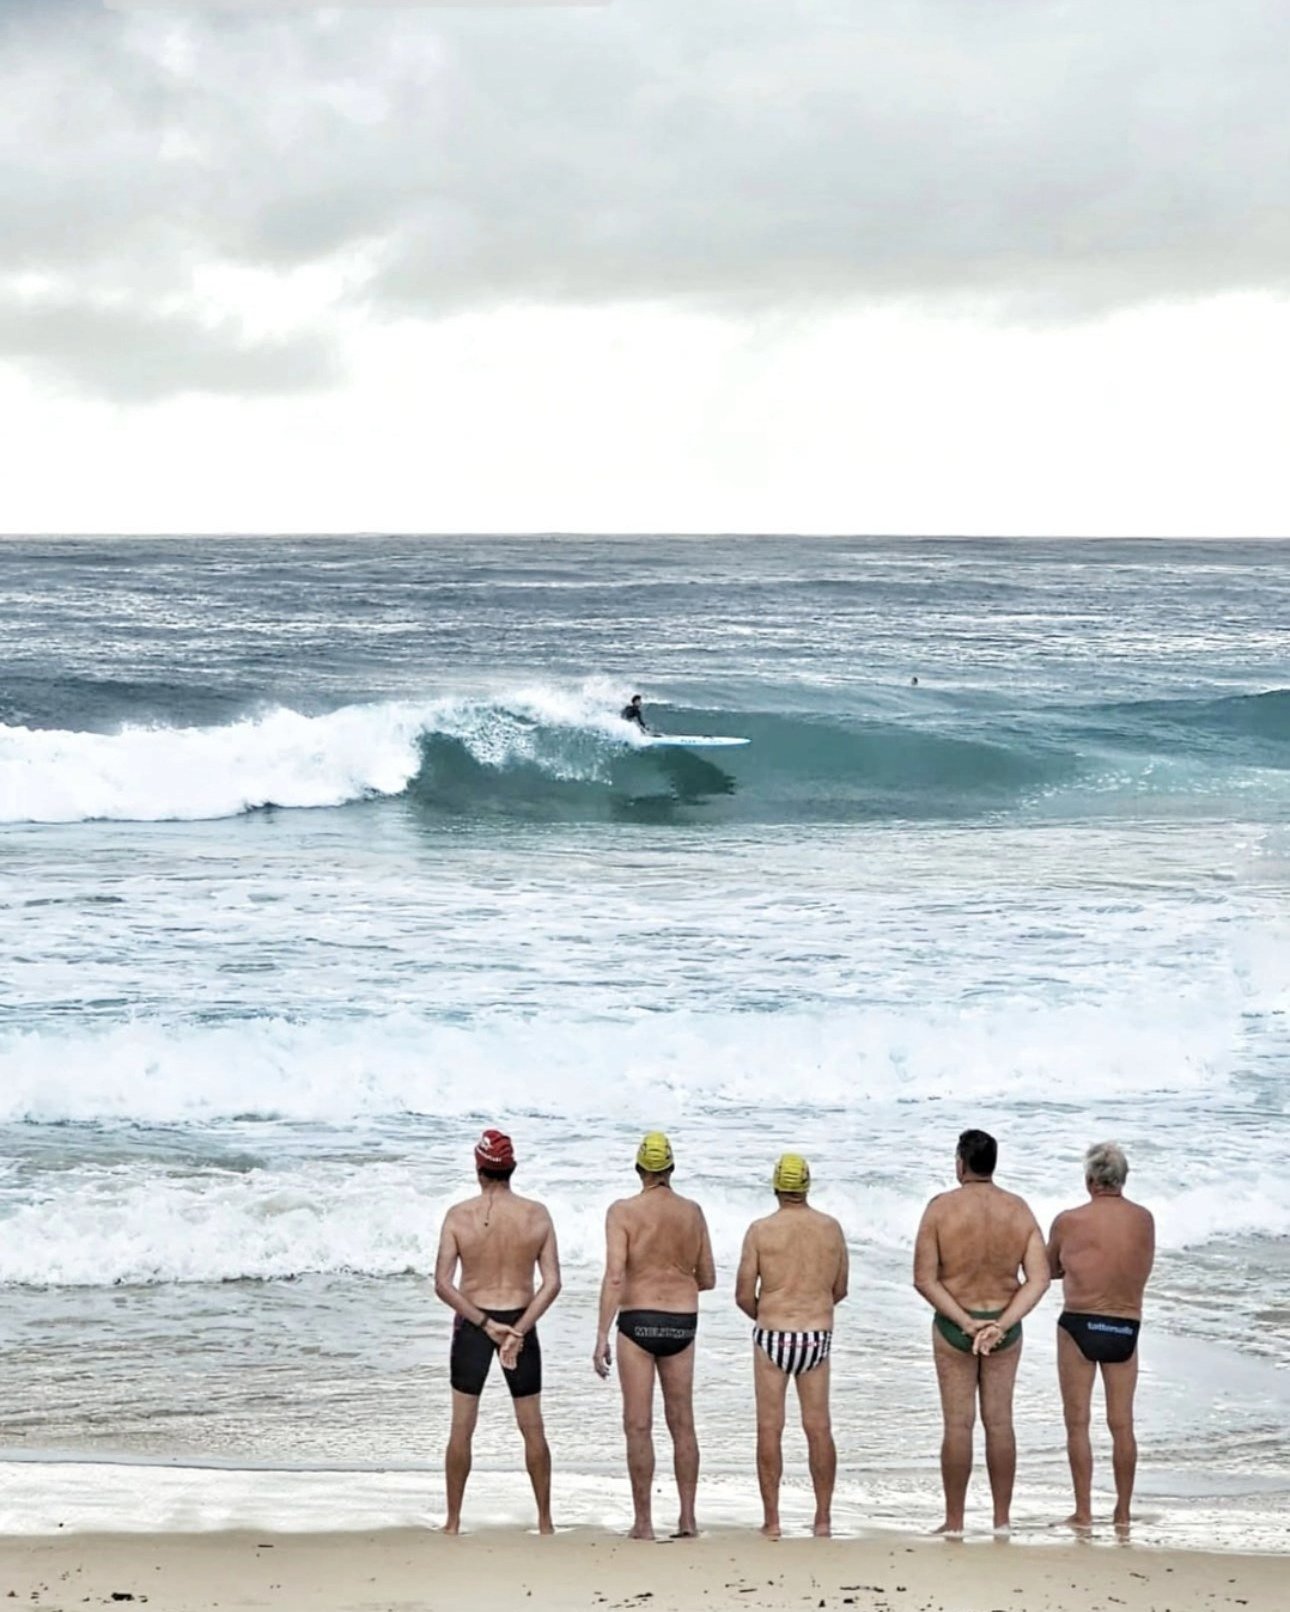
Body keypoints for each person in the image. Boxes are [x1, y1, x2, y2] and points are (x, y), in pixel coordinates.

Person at [912, 1129, 1050, 1534]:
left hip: (956, 1325)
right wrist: (1001, 1324)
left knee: (958, 1426)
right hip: (1003, 1326)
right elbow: (1038, 1279)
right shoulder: (1018, 1209)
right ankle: (1001, 1521)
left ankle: (954, 1522)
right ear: (993, 1163)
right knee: (1000, 1423)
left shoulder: (939, 1210)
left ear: (960, 1163)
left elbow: (925, 1279)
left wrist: (964, 1321)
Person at [433, 1128, 562, 1535]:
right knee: (533, 1427)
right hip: (521, 1320)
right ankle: (545, 1522)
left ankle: (453, 1522)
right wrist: (517, 1331)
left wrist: (487, 1325)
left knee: (461, 1427)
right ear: (512, 1168)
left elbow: (442, 1283)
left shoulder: (458, 1215)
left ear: (478, 1169)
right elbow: (553, 1282)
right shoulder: (536, 1214)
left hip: (474, 1326)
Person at [593, 1132, 716, 1539]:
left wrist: (601, 1336)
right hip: (682, 1321)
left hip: (637, 1321)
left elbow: (614, 1276)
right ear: (671, 1169)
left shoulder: (622, 1212)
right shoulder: (693, 1212)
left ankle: (643, 1523)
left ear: (639, 1169)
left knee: (638, 1423)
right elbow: (709, 1278)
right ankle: (687, 1518)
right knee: (682, 1422)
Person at [735, 1153, 848, 1539]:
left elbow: (742, 1294)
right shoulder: (831, 1229)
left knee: (770, 1428)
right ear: (807, 1185)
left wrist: (769, 1316)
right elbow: (840, 1289)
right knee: (819, 1428)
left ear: (776, 1185)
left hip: (773, 1333)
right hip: (816, 1333)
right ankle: (823, 1519)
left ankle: (772, 1520)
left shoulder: (760, 1230)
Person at [1047, 1142, 1155, 1533]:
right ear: (1123, 1180)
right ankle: (1123, 1513)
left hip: (1080, 1323)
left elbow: (1050, 1268)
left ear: (1090, 1180)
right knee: (1122, 1424)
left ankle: (1083, 1511)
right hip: (1124, 1325)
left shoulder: (1069, 1220)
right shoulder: (1144, 1219)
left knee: (1077, 1422)